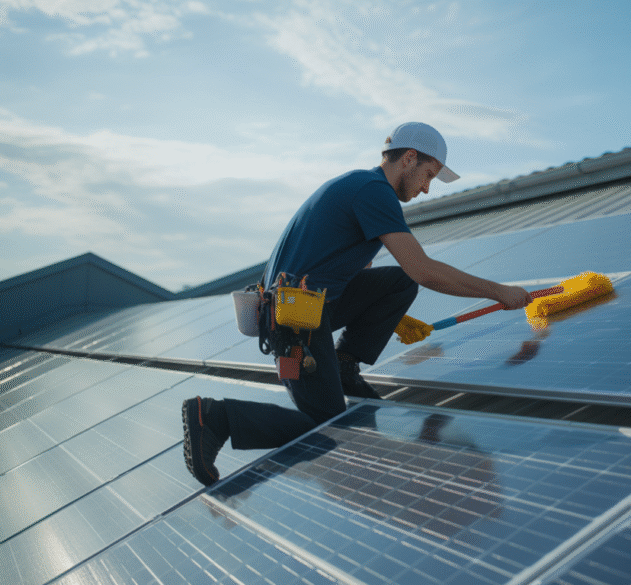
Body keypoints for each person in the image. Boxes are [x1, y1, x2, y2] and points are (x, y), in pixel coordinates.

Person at [182, 122, 532, 486]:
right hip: (294, 321)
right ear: (409, 159)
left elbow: (368, 272)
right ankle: (215, 417)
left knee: (397, 283)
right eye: (428, 175)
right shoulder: (374, 192)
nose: (427, 188)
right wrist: (498, 291)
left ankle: (345, 366)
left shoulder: (359, 186)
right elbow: (424, 271)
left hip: (309, 305)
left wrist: (384, 316)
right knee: (330, 426)